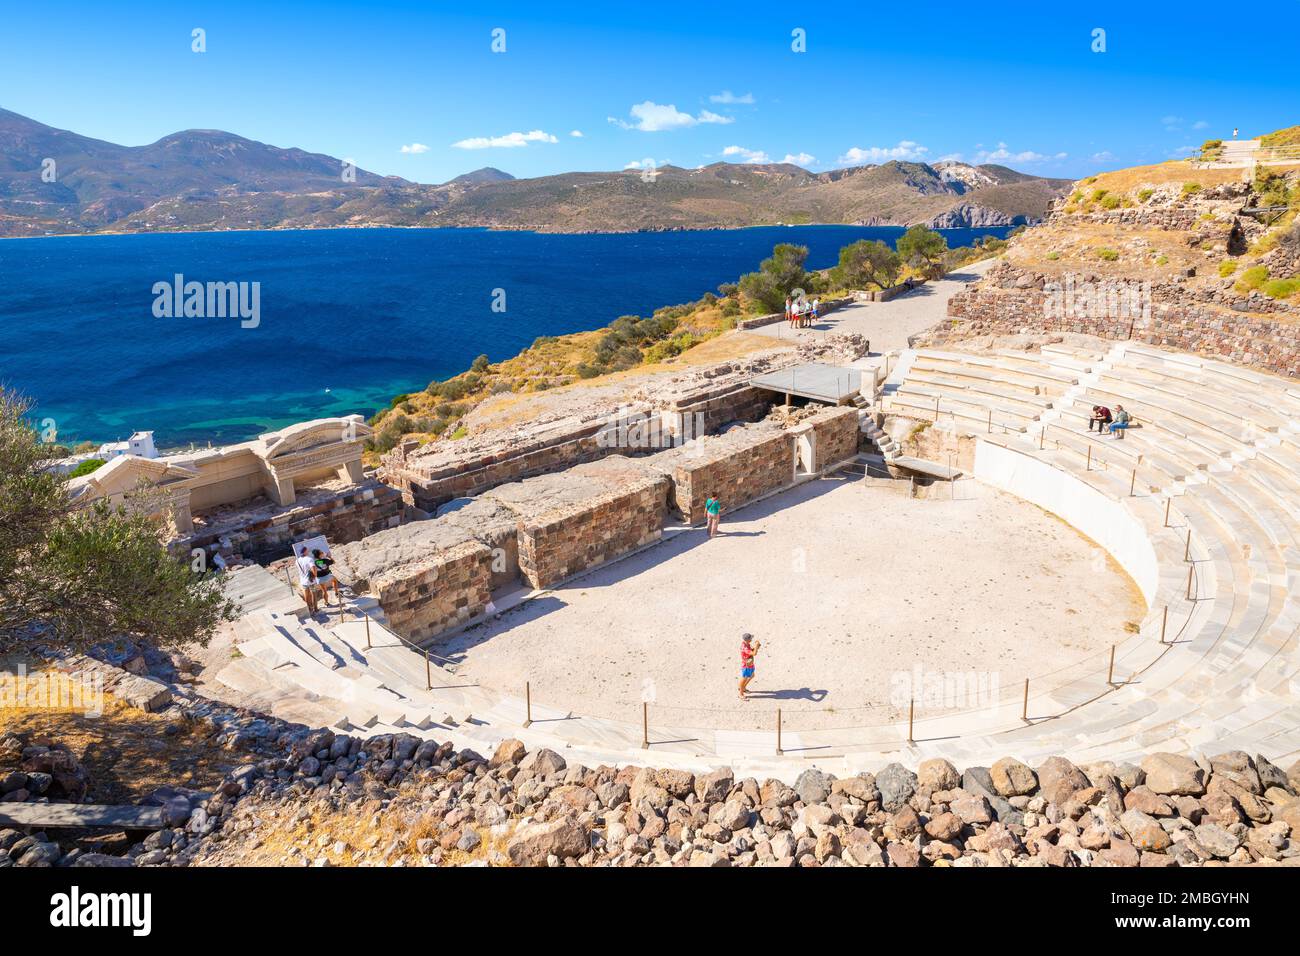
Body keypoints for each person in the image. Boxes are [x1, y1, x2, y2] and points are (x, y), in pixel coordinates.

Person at [294, 546, 318, 614]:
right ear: (305, 551)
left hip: (303, 581)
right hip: (311, 581)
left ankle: (310, 609)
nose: (308, 551)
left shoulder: (297, 561)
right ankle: (315, 609)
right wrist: (315, 576)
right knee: (313, 594)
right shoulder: (309, 559)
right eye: (307, 550)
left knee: (306, 595)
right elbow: (313, 568)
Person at [738, 633, 760, 699]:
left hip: (750, 664)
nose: (751, 639)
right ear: (748, 640)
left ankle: (743, 688)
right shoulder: (745, 647)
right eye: (751, 638)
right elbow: (754, 653)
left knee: (752, 675)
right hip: (746, 666)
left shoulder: (746, 644)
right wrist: (756, 646)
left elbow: (751, 651)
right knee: (744, 678)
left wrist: (756, 647)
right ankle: (740, 693)